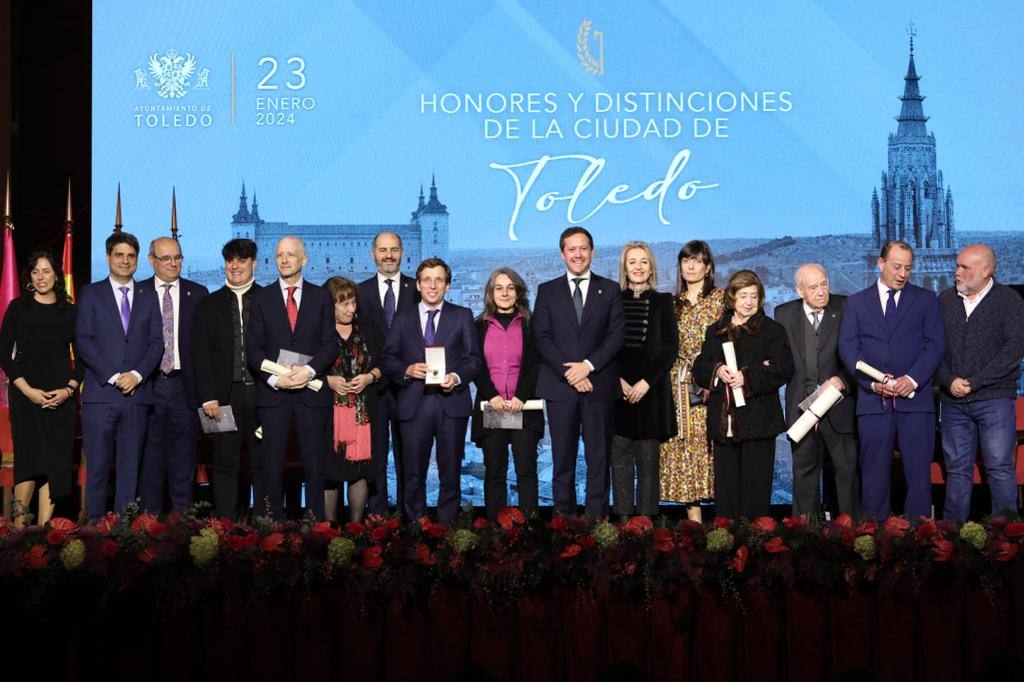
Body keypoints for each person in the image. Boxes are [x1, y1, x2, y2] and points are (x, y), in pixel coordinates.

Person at [838, 240, 945, 521]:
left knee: (919, 476)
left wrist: (913, 379)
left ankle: (918, 538)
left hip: (916, 403)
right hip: (874, 403)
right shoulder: (857, 303)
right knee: (873, 476)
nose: (902, 274)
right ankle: (874, 539)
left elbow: (935, 345)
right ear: (881, 263)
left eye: (908, 268)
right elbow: (848, 349)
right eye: (897, 267)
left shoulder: (925, 299)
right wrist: (872, 384)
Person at [533, 226, 625, 518]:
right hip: (560, 391)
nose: (578, 254)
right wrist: (570, 374)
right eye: (571, 249)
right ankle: (565, 523)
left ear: (592, 252)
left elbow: (616, 335)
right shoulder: (546, 291)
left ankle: (597, 524)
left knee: (599, 460)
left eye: (583, 248)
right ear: (562, 254)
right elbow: (541, 338)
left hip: (598, 386)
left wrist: (587, 367)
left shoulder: (609, 289)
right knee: (562, 460)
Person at [381, 258, 480, 523]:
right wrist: (407, 370)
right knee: (413, 473)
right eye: (427, 279)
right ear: (418, 284)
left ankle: (447, 533)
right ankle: (416, 531)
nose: (432, 285)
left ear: (447, 285)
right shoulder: (402, 319)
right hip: (414, 403)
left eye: (438, 280)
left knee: (451, 474)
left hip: (452, 403)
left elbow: (474, 360)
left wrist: (457, 377)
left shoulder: (462, 316)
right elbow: (388, 358)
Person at [246, 236, 336, 520]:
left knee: (315, 468)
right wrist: (276, 380)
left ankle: (315, 524)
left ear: (304, 259)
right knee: (271, 468)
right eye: (279, 255)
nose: (284, 260)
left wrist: (309, 371)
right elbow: (253, 348)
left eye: (290, 255)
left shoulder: (322, 297)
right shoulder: (260, 298)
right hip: (274, 397)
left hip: (311, 396)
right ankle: (272, 522)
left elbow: (330, 344)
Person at [75, 232, 163, 520]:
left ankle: (124, 536)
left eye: (131, 256)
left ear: (138, 260)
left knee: (130, 474)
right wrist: (114, 376)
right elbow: (84, 341)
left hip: (136, 398)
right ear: (108, 257)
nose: (125, 261)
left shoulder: (149, 296)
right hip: (101, 396)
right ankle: (94, 535)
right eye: (119, 255)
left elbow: (156, 343)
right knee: (98, 472)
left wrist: (136, 375)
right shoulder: (90, 293)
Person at [692, 269, 794, 520]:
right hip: (724, 421)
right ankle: (726, 540)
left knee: (756, 489)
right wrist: (718, 371)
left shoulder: (772, 330)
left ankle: (756, 542)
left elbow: (784, 369)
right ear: (731, 298)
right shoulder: (715, 330)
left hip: (759, 421)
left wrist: (747, 377)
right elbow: (700, 367)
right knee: (725, 491)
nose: (749, 302)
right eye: (743, 296)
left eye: (754, 296)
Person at [936, 244, 1024, 521]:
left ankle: (1005, 537)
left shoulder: (1009, 301)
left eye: (965, 268)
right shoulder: (945, 300)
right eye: (957, 266)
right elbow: (933, 348)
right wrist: (949, 381)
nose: (957, 272)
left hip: (994, 399)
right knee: (957, 470)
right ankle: (951, 539)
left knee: (999, 467)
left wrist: (974, 382)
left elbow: (1013, 351)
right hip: (953, 401)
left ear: (986, 272)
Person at [0, 250, 82, 527]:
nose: (41, 277)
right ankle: (18, 533)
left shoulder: (70, 311)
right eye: (36, 271)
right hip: (26, 397)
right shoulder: (17, 308)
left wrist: (68, 391)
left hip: (61, 398)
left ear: (56, 275)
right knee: (28, 462)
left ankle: (45, 534)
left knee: (55, 465)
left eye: (46, 271)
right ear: (29, 278)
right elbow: (3, 356)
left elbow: (82, 359)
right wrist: (28, 391)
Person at [776, 263, 859, 519]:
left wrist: (843, 380)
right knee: (804, 476)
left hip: (839, 407)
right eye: (813, 287)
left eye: (824, 284)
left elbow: (860, 353)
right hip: (801, 410)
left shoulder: (846, 308)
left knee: (847, 474)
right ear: (799, 290)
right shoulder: (783, 313)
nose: (821, 292)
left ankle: (853, 534)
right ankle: (806, 536)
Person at [193, 238, 264, 520]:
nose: (235, 266)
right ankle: (225, 527)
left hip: (262, 397)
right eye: (230, 260)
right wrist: (208, 397)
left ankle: (265, 524)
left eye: (242, 260)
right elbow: (201, 356)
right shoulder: (207, 305)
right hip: (221, 399)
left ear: (253, 263)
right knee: (224, 465)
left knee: (263, 465)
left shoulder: (268, 299)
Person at [138, 237, 208, 514]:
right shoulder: (138, 292)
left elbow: (206, 345)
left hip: (184, 388)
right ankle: (149, 528)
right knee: (150, 463)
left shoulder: (198, 293)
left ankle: (182, 529)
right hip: (148, 386)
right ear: (152, 260)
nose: (173, 263)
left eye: (177, 257)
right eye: (166, 258)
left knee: (183, 462)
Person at [658, 240, 725, 523]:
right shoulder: (671, 304)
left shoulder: (721, 300)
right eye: (686, 261)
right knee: (682, 446)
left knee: (709, 446)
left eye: (697, 260)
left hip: (711, 382)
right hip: (676, 385)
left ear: (708, 266)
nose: (691, 266)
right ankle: (692, 522)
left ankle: (723, 522)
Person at [611, 242, 678, 519]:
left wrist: (645, 382)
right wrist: (617, 380)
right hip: (619, 393)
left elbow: (669, 348)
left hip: (651, 394)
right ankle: (624, 522)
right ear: (624, 268)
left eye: (643, 262)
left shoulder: (664, 301)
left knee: (649, 465)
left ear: (651, 267)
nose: (638, 267)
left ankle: (647, 526)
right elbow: (604, 344)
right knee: (620, 462)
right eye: (632, 262)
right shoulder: (612, 300)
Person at [470, 268, 542, 521]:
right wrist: (492, 396)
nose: (504, 292)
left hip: (524, 407)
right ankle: (495, 533)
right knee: (495, 473)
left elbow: (536, 363)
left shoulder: (531, 325)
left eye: (510, 287)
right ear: (490, 293)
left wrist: (521, 396)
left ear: (518, 292)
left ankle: (531, 531)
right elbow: (475, 364)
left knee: (526, 472)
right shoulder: (478, 326)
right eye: (499, 287)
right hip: (492, 407)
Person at [357, 231, 418, 516]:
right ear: (373, 254)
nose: (389, 255)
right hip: (374, 389)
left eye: (394, 249)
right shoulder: (360, 292)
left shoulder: (417, 289)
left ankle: (409, 518)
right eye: (383, 250)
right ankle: (377, 520)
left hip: (410, 386)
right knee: (376, 457)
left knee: (410, 457)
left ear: (402, 252)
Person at [323, 276, 387, 524]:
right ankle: (328, 531)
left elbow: (385, 364)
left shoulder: (368, 328)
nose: (351, 309)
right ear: (331, 306)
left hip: (364, 414)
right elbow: (304, 367)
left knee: (360, 471)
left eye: (353, 302)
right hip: (329, 415)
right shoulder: (319, 331)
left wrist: (369, 377)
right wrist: (329, 381)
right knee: (330, 473)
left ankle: (356, 528)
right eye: (344, 304)